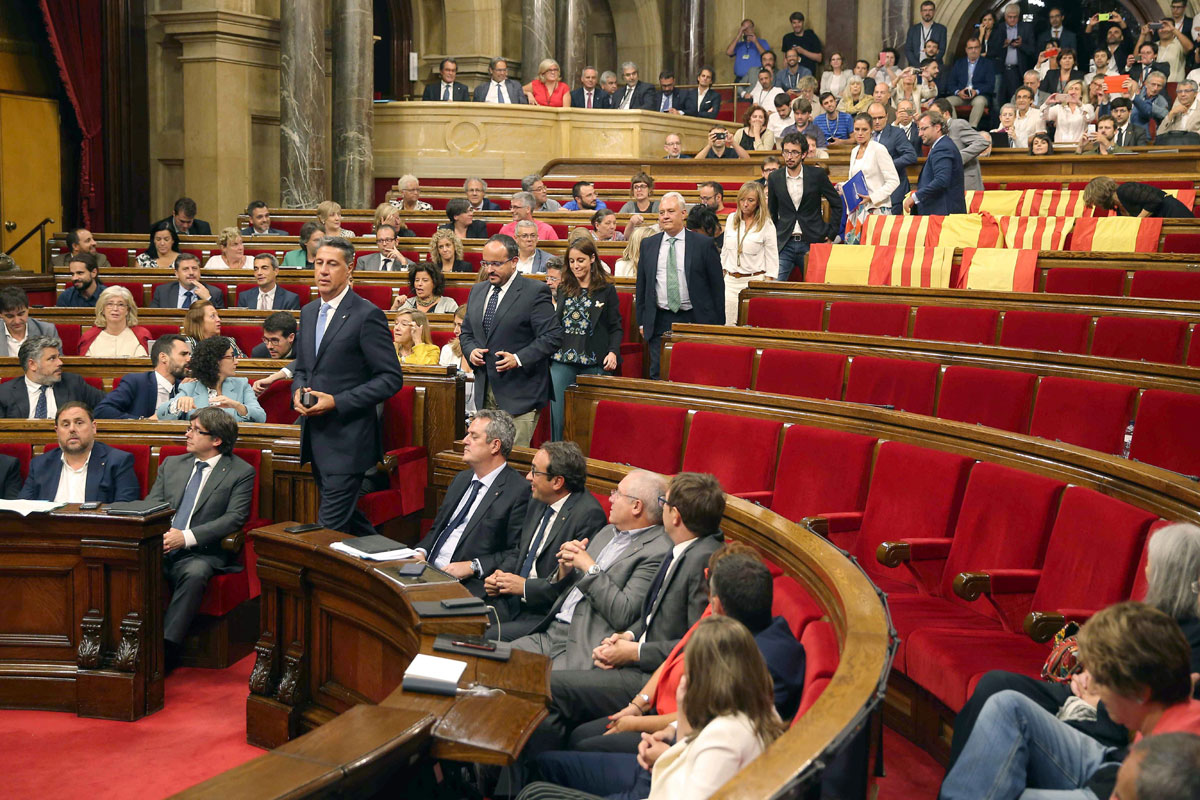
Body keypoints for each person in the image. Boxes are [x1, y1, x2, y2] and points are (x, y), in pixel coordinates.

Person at [529, 548, 803, 800]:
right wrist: (640, 705)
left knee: (545, 779)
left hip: (666, 770)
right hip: (668, 743)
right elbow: (677, 656)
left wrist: (660, 738)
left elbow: (708, 735)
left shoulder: (761, 660)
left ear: (717, 605)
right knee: (568, 743)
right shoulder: (728, 625)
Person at [949, 522, 1200, 771]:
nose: (1145, 569)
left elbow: (1163, 708)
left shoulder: (1193, 637)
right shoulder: (1154, 613)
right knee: (995, 684)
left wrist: (1100, 695)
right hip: (1093, 695)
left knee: (1008, 725)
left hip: (1111, 723)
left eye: (1151, 563)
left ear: (1163, 575)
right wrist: (1091, 673)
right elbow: (1119, 660)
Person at [941, 601, 1200, 800]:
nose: (1094, 688)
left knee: (994, 790)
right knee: (1007, 704)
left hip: (1116, 784)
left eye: (1103, 682)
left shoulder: (1174, 756)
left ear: (1141, 693)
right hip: (1114, 761)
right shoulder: (1168, 701)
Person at [518, 615, 787, 800]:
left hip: (652, 788)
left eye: (688, 675)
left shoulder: (724, 739)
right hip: (661, 772)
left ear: (706, 680)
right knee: (544, 765)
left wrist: (670, 745)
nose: (682, 681)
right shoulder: (756, 703)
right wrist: (670, 738)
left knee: (536, 793)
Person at [290, 236, 404, 535]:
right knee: (350, 522)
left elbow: (391, 379)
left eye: (332, 264)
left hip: (348, 442)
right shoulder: (309, 311)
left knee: (326, 532)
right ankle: (394, 560)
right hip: (315, 438)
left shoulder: (367, 315)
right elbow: (303, 368)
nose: (323, 271)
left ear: (349, 268)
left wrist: (338, 401)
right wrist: (297, 393)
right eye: (318, 263)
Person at [509, 468, 670, 661]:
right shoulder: (607, 532)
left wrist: (590, 568)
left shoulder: (657, 551)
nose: (611, 499)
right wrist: (565, 569)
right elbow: (570, 585)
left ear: (636, 506)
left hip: (581, 646)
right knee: (489, 662)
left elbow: (623, 614)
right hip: (550, 632)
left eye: (617, 493)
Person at [148, 407, 254, 670]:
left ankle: (166, 650)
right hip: (161, 545)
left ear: (216, 440)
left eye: (196, 430)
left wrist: (185, 538)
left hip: (202, 551)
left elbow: (234, 519)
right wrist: (157, 536)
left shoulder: (241, 472)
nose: (188, 434)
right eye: (189, 428)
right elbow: (152, 505)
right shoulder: (172, 463)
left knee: (195, 572)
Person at [484, 441, 608, 639]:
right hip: (511, 600)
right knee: (459, 621)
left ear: (557, 482)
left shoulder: (588, 515)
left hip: (543, 614)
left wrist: (524, 586)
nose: (528, 477)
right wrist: (500, 577)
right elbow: (519, 551)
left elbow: (571, 583)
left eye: (535, 472)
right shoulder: (538, 499)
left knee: (482, 636)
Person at [458, 234, 562, 447]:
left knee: (513, 461)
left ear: (514, 262)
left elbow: (553, 336)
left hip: (521, 393)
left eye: (496, 263)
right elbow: (466, 333)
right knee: (488, 458)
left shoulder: (534, 291)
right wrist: (470, 351)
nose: (489, 269)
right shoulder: (478, 291)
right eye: (485, 263)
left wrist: (518, 358)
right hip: (484, 391)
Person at [413, 409, 529, 595]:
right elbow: (438, 528)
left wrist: (474, 566)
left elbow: (516, 552)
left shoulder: (518, 491)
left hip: (467, 585)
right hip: (427, 570)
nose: (465, 441)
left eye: (473, 436)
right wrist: (421, 551)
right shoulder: (461, 479)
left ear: (495, 446)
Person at [634, 190, 724, 380]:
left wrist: (718, 324)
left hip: (694, 317)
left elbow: (717, 287)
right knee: (659, 374)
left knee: (694, 374)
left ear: (683, 213)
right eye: (661, 212)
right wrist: (642, 320)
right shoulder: (648, 245)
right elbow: (642, 285)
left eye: (670, 211)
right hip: (659, 319)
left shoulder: (703, 244)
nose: (665, 216)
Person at [548, 239, 622, 441]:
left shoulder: (606, 289)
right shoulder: (564, 288)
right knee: (559, 418)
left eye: (580, 260)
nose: (575, 266)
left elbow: (615, 326)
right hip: (562, 360)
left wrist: (613, 352)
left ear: (592, 259)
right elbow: (556, 323)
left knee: (591, 419)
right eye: (571, 261)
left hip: (593, 360)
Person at [19, 401, 140, 503]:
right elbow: (23, 508)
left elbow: (126, 510)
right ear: (57, 431)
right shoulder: (40, 464)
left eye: (79, 423)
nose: (72, 429)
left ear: (93, 427)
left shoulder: (118, 461)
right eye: (65, 424)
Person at [767, 133, 842, 282]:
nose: (789, 156)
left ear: (804, 154)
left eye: (794, 152)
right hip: (785, 242)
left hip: (812, 241)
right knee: (773, 287)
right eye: (786, 152)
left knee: (816, 288)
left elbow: (837, 203)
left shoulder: (817, 175)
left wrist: (831, 234)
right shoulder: (775, 177)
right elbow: (772, 210)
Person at [158, 336, 264, 423]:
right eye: (231, 357)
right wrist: (177, 404)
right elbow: (161, 414)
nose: (236, 361)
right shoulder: (189, 388)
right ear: (216, 361)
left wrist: (236, 405)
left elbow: (261, 417)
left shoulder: (242, 385)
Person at [0, 336, 105, 419]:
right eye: (52, 358)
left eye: (58, 357)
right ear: (32, 364)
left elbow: (108, 405)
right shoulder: (5, 393)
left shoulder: (73, 384)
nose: (60, 363)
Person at [720, 182, 778, 325]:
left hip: (754, 282)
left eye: (750, 200)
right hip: (730, 282)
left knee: (751, 325)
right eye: (742, 199)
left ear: (758, 202)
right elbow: (725, 251)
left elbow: (772, 258)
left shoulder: (767, 224)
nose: (745, 204)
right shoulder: (731, 219)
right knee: (728, 325)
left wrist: (767, 285)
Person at [96, 335, 191, 420]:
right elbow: (102, 411)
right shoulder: (136, 382)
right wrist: (144, 422)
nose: (189, 359)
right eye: (183, 354)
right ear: (163, 357)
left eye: (189, 354)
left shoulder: (185, 387)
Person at [904, 110, 966, 215]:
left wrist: (915, 197)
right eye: (919, 129)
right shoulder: (942, 145)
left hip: (943, 215)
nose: (920, 134)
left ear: (937, 128)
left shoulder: (942, 147)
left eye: (923, 129)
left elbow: (941, 180)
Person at [847, 112, 902, 218]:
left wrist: (872, 197)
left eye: (864, 129)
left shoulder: (879, 149)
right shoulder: (854, 151)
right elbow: (854, 180)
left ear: (871, 130)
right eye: (857, 129)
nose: (860, 133)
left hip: (877, 209)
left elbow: (894, 180)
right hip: (858, 210)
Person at [931, 97, 991, 192]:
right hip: (950, 183)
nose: (932, 119)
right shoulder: (937, 132)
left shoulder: (958, 124)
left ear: (946, 114)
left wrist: (958, 156)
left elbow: (982, 142)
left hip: (966, 181)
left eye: (935, 115)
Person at [867, 102, 917, 214]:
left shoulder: (897, 133)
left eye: (880, 117)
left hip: (893, 193)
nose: (877, 121)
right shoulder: (865, 135)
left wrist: (888, 165)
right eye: (873, 118)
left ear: (887, 117)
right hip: (873, 192)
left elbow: (911, 156)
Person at [79, 286, 150, 358]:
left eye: (121, 304)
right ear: (102, 309)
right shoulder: (89, 337)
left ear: (128, 310)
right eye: (110, 304)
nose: (115, 309)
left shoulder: (141, 336)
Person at [1084, 176, 1195, 218]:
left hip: (1174, 214)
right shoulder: (1119, 210)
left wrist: (1138, 221)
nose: (1096, 205)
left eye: (1093, 200)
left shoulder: (1125, 190)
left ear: (1099, 193)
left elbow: (1155, 200)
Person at [993, 3, 1037, 101]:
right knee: (998, 100)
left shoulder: (1026, 28)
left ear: (1019, 16)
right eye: (1009, 17)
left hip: (1018, 71)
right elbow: (992, 50)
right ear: (1005, 16)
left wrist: (1021, 45)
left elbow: (1032, 50)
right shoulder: (999, 28)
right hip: (1001, 70)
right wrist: (1003, 45)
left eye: (1015, 17)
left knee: (1016, 98)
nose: (1012, 19)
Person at [949, 37, 996, 128]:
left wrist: (976, 91)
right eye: (970, 48)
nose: (973, 50)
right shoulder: (959, 63)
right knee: (947, 101)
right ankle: (955, 128)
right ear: (966, 50)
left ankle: (972, 129)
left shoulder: (987, 64)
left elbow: (990, 85)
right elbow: (950, 83)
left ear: (980, 48)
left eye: (976, 47)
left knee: (980, 101)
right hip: (961, 96)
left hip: (978, 95)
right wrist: (958, 92)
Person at [150, 253, 225, 308]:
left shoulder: (214, 293)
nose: (191, 273)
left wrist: (208, 299)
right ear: (177, 273)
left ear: (200, 271)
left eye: (194, 268)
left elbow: (219, 321)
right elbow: (153, 319)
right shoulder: (162, 292)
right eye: (185, 269)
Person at [440, 305, 476, 413]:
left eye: (460, 325)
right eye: (455, 324)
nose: (455, 330)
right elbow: (443, 389)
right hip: (453, 411)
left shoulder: (488, 353)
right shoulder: (448, 350)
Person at [0, 287, 56, 357]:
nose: (17, 321)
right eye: (10, 316)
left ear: (28, 309)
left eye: (21, 314)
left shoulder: (46, 331)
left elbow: (56, 365)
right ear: (1, 315)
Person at [236, 253, 301, 311]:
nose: (259, 273)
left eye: (264, 268)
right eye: (256, 269)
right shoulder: (244, 297)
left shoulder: (290, 299)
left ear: (276, 271)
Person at [391, 262, 459, 315]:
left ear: (434, 283)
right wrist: (395, 307)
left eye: (425, 280)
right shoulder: (406, 304)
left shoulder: (449, 304)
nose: (419, 284)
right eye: (417, 280)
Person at [1044, 79, 1098, 144]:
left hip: (1079, 147)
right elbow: (1043, 117)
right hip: (1060, 147)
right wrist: (1046, 104)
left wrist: (1079, 103)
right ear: (1067, 92)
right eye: (1071, 89)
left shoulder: (1088, 107)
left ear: (1081, 94)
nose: (1073, 92)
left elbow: (1089, 118)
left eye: (1076, 89)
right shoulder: (1059, 108)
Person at [905, 0, 948, 69]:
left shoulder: (941, 29)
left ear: (934, 12)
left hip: (934, 67)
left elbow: (942, 50)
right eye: (925, 10)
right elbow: (908, 50)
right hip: (915, 66)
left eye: (930, 10)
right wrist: (918, 65)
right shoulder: (913, 29)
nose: (927, 13)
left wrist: (930, 65)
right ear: (921, 12)